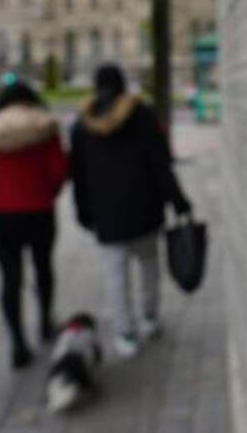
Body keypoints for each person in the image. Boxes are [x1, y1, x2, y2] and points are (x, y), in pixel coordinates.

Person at [70, 63, 192, 358]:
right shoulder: (143, 116)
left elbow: (78, 174)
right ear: (124, 85)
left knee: (115, 277)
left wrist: (83, 212)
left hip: (106, 215)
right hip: (144, 209)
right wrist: (178, 200)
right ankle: (149, 317)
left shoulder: (82, 125)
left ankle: (126, 334)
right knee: (149, 265)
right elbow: (160, 165)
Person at [0, 82, 68, 369]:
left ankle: (18, 343)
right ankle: (46, 322)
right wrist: (49, 192)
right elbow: (59, 169)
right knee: (44, 268)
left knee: (10, 280)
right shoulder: (45, 127)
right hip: (39, 209)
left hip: (3, 212)